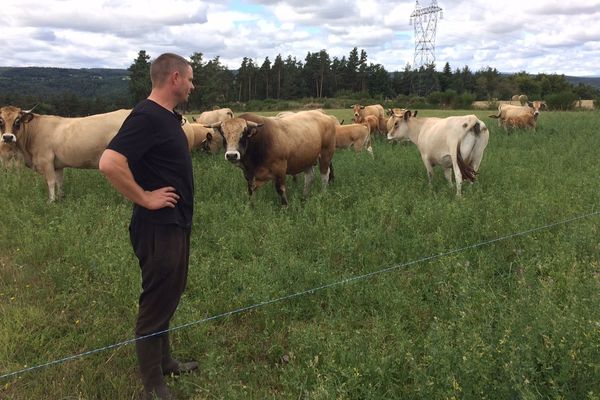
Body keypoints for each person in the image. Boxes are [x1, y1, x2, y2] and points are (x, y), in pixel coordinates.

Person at [99, 52, 197, 400]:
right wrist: (145, 197)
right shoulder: (146, 116)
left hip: (174, 223)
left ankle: (165, 361)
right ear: (174, 78)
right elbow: (110, 162)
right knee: (156, 299)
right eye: (189, 78)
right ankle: (152, 386)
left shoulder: (167, 117)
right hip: (157, 226)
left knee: (171, 291)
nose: (192, 85)